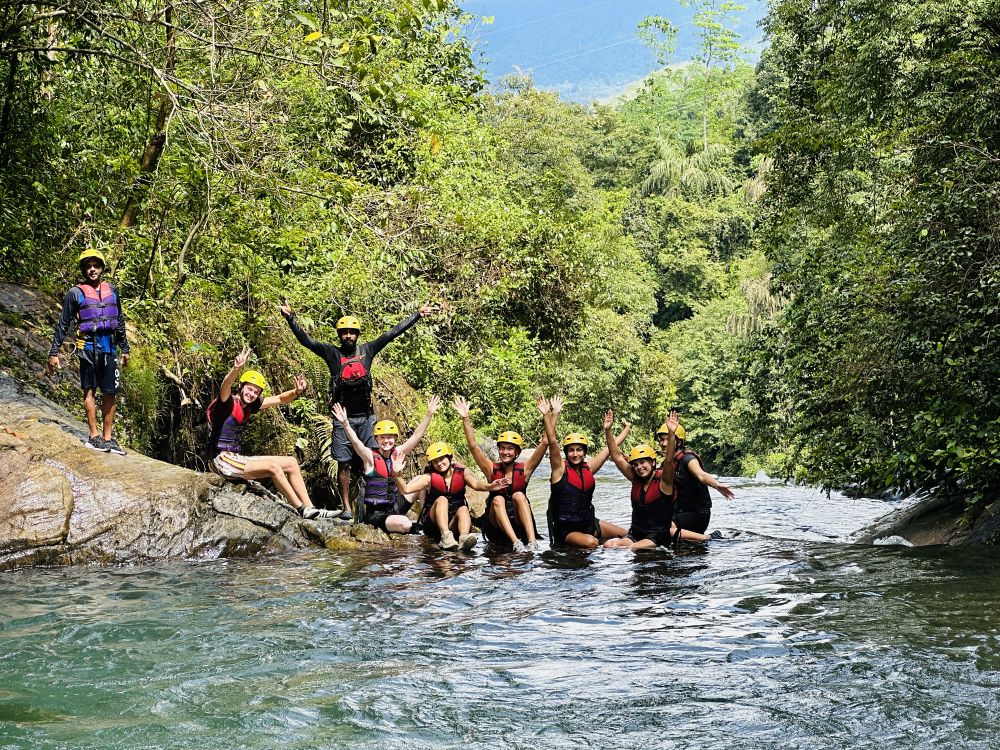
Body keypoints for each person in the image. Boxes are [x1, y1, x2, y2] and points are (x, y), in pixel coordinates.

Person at [280, 299, 436, 520]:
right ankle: (346, 508)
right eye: (344, 332)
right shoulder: (331, 353)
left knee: (374, 461)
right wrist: (291, 318)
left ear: (357, 334)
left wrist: (417, 315)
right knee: (343, 464)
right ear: (339, 335)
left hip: (366, 419)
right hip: (342, 418)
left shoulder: (368, 350)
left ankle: (374, 504)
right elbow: (306, 341)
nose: (348, 336)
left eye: (352, 332)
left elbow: (391, 334)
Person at [208, 346, 337, 520]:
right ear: (241, 387)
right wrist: (236, 368)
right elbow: (225, 386)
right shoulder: (226, 403)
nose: (251, 393)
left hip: (235, 458)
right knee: (273, 467)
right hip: (220, 460)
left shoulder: (250, 405)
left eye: (256, 391)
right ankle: (301, 510)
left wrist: (297, 392)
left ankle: (311, 508)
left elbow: (279, 399)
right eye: (249, 389)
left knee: (291, 462)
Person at [47, 249, 130, 454]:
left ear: (102, 268)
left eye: (96, 265)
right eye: (88, 266)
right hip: (88, 348)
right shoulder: (75, 293)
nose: (92, 269)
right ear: (84, 269)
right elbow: (63, 323)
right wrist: (53, 351)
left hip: (109, 348)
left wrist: (125, 348)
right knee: (89, 389)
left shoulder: (113, 290)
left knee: (110, 392)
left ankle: (108, 438)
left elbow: (119, 321)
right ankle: (94, 436)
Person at [331, 396, 441, 533]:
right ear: (376, 439)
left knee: (422, 480)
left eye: (390, 437)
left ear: (395, 438)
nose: (386, 441)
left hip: (395, 506)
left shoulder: (398, 452)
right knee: (405, 524)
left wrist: (429, 414)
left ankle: (426, 518)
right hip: (376, 514)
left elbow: (416, 437)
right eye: (382, 437)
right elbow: (356, 443)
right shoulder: (369, 456)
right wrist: (346, 424)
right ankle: (410, 527)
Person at [603, 410, 711, 549]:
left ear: (653, 463)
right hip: (636, 533)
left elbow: (669, 460)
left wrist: (672, 434)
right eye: (635, 464)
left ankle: (703, 538)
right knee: (608, 545)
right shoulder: (636, 479)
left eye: (643, 463)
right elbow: (617, 456)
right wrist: (608, 431)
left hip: (657, 535)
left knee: (633, 548)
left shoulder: (664, 482)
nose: (639, 467)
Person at [453, 396, 548, 552]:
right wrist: (465, 418)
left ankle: (532, 542)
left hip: (519, 521)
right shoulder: (491, 469)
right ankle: (515, 542)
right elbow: (473, 446)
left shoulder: (525, 469)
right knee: (497, 498)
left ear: (517, 452)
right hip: (496, 524)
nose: (505, 452)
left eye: (510, 449)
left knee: (518, 495)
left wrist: (547, 415)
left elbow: (545, 442)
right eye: (502, 448)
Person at [540, 396, 631, 550]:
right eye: (571, 450)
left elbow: (610, 449)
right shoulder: (559, 470)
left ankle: (611, 546)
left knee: (628, 534)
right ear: (566, 453)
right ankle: (603, 545)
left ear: (584, 452)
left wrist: (626, 429)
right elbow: (552, 441)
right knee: (592, 543)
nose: (575, 454)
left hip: (588, 523)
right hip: (566, 530)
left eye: (579, 450)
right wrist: (548, 414)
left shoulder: (587, 469)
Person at [394, 442, 507, 551]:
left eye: (442, 459)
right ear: (431, 464)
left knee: (463, 508)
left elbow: (476, 484)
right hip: (434, 526)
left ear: (449, 457)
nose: (439, 463)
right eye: (435, 461)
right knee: (442, 499)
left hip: (452, 524)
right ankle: (445, 536)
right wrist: (396, 474)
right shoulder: (428, 477)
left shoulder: (462, 473)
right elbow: (405, 490)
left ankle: (463, 538)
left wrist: (490, 486)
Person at [656, 421, 735, 535]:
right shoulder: (666, 464)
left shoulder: (688, 459)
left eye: (668, 439)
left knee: (663, 529)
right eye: (662, 440)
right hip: (678, 512)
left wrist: (716, 485)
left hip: (697, 513)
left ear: (678, 442)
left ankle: (710, 538)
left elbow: (701, 475)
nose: (663, 443)